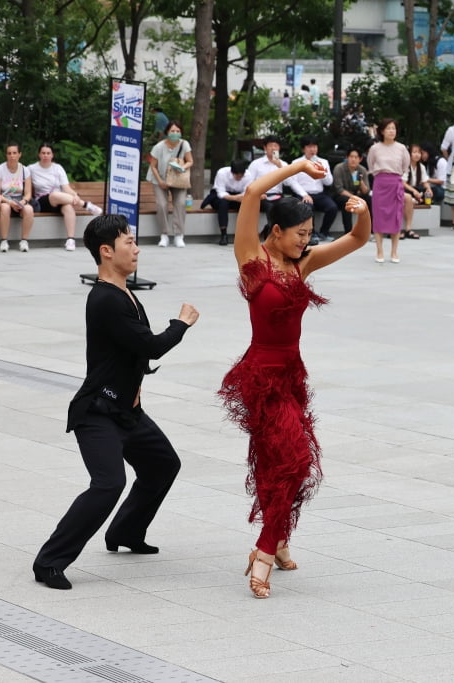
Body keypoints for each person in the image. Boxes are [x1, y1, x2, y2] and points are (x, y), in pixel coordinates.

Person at [219, 157, 370, 599]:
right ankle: (265, 552)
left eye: (309, 234)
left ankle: (280, 538)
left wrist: (362, 212)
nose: (306, 241)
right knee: (293, 461)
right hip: (259, 376)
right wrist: (299, 166)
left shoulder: (302, 264)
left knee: (276, 463)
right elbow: (250, 194)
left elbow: (358, 239)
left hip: (291, 377)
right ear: (276, 231)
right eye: (299, 234)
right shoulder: (253, 257)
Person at [33, 214, 199, 591]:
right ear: (106, 252)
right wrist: (182, 323)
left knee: (163, 465)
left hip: (128, 411)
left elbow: (135, 351)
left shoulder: (123, 291)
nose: (136, 248)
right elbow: (151, 345)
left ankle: (125, 531)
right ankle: (49, 562)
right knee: (108, 484)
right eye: (129, 242)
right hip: (98, 412)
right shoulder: (106, 299)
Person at [29, 143, 102, 251]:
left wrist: (75, 195)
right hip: (43, 201)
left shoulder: (57, 168)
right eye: (43, 153)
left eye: (48, 153)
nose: (45, 155)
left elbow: (66, 188)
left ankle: (70, 240)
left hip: (61, 200)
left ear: (52, 155)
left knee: (68, 207)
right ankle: (85, 204)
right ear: (39, 154)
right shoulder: (32, 168)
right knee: (54, 195)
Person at [367, 118, 411, 263]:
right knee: (378, 217)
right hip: (380, 183)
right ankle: (379, 251)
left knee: (396, 217)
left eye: (394, 128)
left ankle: (394, 251)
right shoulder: (375, 148)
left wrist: (399, 179)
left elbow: (406, 166)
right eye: (388, 128)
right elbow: (371, 165)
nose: (392, 131)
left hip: (395, 183)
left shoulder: (401, 148)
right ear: (382, 131)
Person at [145, 121, 193, 248]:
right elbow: (153, 166)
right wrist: (160, 181)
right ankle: (164, 235)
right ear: (167, 132)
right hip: (160, 179)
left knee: (180, 203)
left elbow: (190, 161)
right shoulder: (159, 147)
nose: (175, 133)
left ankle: (179, 235)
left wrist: (182, 167)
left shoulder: (185, 144)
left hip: (178, 179)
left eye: (178, 131)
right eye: (172, 131)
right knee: (161, 204)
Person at [291, 135, 339, 244]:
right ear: (304, 149)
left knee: (332, 207)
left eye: (315, 146)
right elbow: (293, 182)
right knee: (307, 207)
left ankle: (324, 233)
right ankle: (311, 234)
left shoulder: (323, 162)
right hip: (303, 194)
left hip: (320, 194)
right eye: (309, 146)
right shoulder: (296, 163)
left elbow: (329, 182)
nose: (313, 149)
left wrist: (322, 170)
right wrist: (304, 194)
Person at [247, 136, 306, 216]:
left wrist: (280, 167)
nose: (273, 148)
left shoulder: (283, 164)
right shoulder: (256, 164)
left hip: (277, 196)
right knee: (271, 208)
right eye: (270, 146)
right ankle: (271, 228)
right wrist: (257, 193)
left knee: (288, 207)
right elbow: (249, 182)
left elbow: (290, 182)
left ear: (279, 148)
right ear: (265, 148)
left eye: (276, 146)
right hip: (261, 196)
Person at [0, 142, 35, 252]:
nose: (12, 156)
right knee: (5, 208)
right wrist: (10, 203)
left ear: (19, 154)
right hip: (4, 200)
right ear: (6, 155)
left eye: (14, 153)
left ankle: (24, 241)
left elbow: (28, 194)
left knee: (29, 210)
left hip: (20, 200)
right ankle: (4, 241)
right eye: (9, 153)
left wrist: (22, 202)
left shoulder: (25, 170)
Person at [201, 159, 251, 246]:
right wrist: (234, 198)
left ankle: (244, 234)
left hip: (239, 196)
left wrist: (240, 198)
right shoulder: (222, 173)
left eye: (241, 176)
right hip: (221, 196)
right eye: (237, 176)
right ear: (232, 172)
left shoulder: (248, 175)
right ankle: (224, 234)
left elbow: (246, 192)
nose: (239, 178)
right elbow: (220, 192)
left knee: (247, 205)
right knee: (223, 204)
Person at [332, 148, 372, 235]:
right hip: (341, 195)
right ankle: (348, 232)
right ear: (347, 157)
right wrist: (354, 197)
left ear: (360, 159)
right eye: (351, 157)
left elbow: (366, 191)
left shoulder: (362, 170)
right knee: (347, 201)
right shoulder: (339, 168)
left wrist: (360, 182)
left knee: (370, 200)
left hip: (357, 194)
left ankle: (370, 230)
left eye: (356, 157)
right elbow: (339, 189)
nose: (353, 159)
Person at [401, 143, 431, 241]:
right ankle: (408, 228)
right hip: (405, 190)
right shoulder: (405, 166)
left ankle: (417, 199)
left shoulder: (421, 167)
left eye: (419, 152)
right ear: (409, 154)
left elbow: (425, 181)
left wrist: (428, 189)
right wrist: (414, 191)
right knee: (410, 198)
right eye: (414, 152)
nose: (417, 155)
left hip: (416, 190)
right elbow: (403, 183)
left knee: (428, 194)